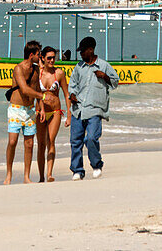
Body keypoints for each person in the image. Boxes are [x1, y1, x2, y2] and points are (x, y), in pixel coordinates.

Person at [68, 36, 119, 180]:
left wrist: (105, 77)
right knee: (75, 141)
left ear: (91, 50)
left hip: (95, 109)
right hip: (78, 109)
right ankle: (77, 170)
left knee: (91, 138)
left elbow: (115, 82)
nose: (81, 54)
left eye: (83, 51)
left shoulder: (104, 66)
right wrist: (72, 95)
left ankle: (96, 165)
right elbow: (72, 84)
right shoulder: (79, 67)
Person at [5, 40, 44, 184]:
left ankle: (26, 176)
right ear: (31, 54)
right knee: (13, 141)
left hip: (30, 110)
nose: (40, 57)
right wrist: (43, 97)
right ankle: (9, 174)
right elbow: (25, 89)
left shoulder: (36, 69)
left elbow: (37, 88)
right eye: (38, 54)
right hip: (16, 109)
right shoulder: (18, 69)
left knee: (29, 144)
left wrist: (41, 107)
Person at [34, 46, 70, 183]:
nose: (52, 60)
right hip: (40, 111)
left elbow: (66, 94)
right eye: (49, 58)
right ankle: (41, 176)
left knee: (51, 141)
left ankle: (49, 174)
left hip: (55, 112)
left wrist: (69, 115)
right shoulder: (38, 73)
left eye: (54, 57)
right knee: (41, 144)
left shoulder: (59, 73)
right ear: (42, 58)